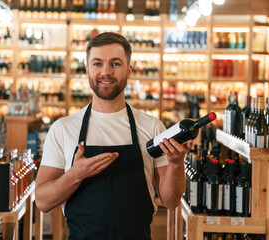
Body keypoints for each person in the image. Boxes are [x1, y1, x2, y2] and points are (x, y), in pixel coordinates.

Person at [35, 32, 193, 240]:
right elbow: (43, 202)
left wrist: (175, 163)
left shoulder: (152, 127)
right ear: (87, 69)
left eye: (115, 64)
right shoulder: (63, 129)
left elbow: (171, 201)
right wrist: (75, 175)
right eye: (98, 63)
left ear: (128, 71)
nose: (106, 72)